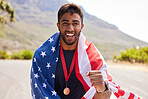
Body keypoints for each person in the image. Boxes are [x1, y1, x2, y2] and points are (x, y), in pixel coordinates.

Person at [30, 3, 142, 99]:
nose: (70, 28)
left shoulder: (92, 57)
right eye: (65, 23)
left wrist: (101, 89)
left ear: (82, 27)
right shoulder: (42, 56)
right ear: (58, 26)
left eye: (75, 23)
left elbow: (106, 95)